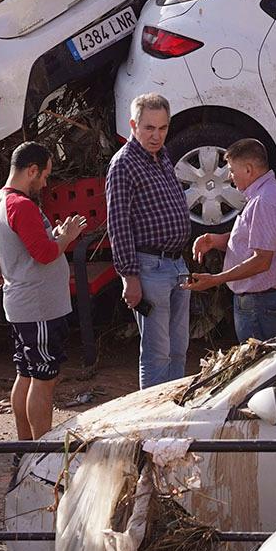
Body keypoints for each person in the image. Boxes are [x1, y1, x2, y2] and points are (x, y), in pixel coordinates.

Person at [0, 142, 86, 439]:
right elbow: (43, 254)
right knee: (44, 378)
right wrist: (66, 238)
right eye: (44, 175)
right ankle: (42, 449)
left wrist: (54, 235)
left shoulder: (0, 201)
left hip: (22, 303)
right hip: (38, 305)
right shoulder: (21, 205)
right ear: (31, 170)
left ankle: (25, 445)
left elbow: (32, 246)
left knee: (27, 374)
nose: (45, 182)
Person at [106, 93, 192, 390]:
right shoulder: (123, 165)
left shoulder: (163, 156)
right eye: (149, 128)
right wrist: (129, 277)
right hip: (149, 266)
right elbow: (118, 224)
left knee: (179, 348)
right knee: (158, 352)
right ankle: (154, 422)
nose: (157, 136)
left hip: (177, 263)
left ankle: (176, 413)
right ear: (133, 125)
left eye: (163, 128)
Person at [183, 138, 276, 342]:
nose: (230, 176)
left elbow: (262, 260)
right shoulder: (270, 194)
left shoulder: (266, 200)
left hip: (260, 302)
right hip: (262, 301)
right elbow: (257, 240)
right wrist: (217, 240)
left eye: (232, 169)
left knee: (259, 369)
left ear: (248, 169)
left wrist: (217, 279)